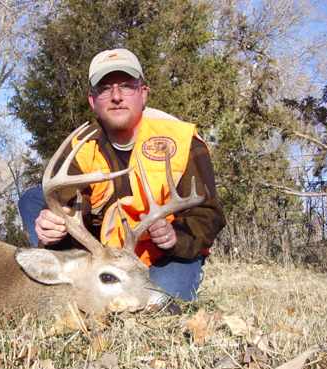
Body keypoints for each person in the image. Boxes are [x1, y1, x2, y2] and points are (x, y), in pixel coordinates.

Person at [18, 48, 225, 301]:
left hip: (163, 255)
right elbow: (67, 205)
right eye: (105, 89)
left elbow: (208, 214)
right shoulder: (81, 147)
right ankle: (69, 275)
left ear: (143, 93)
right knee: (34, 199)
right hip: (103, 257)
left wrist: (174, 238)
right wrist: (51, 227)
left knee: (161, 304)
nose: (116, 96)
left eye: (127, 86)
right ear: (93, 102)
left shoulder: (182, 142)